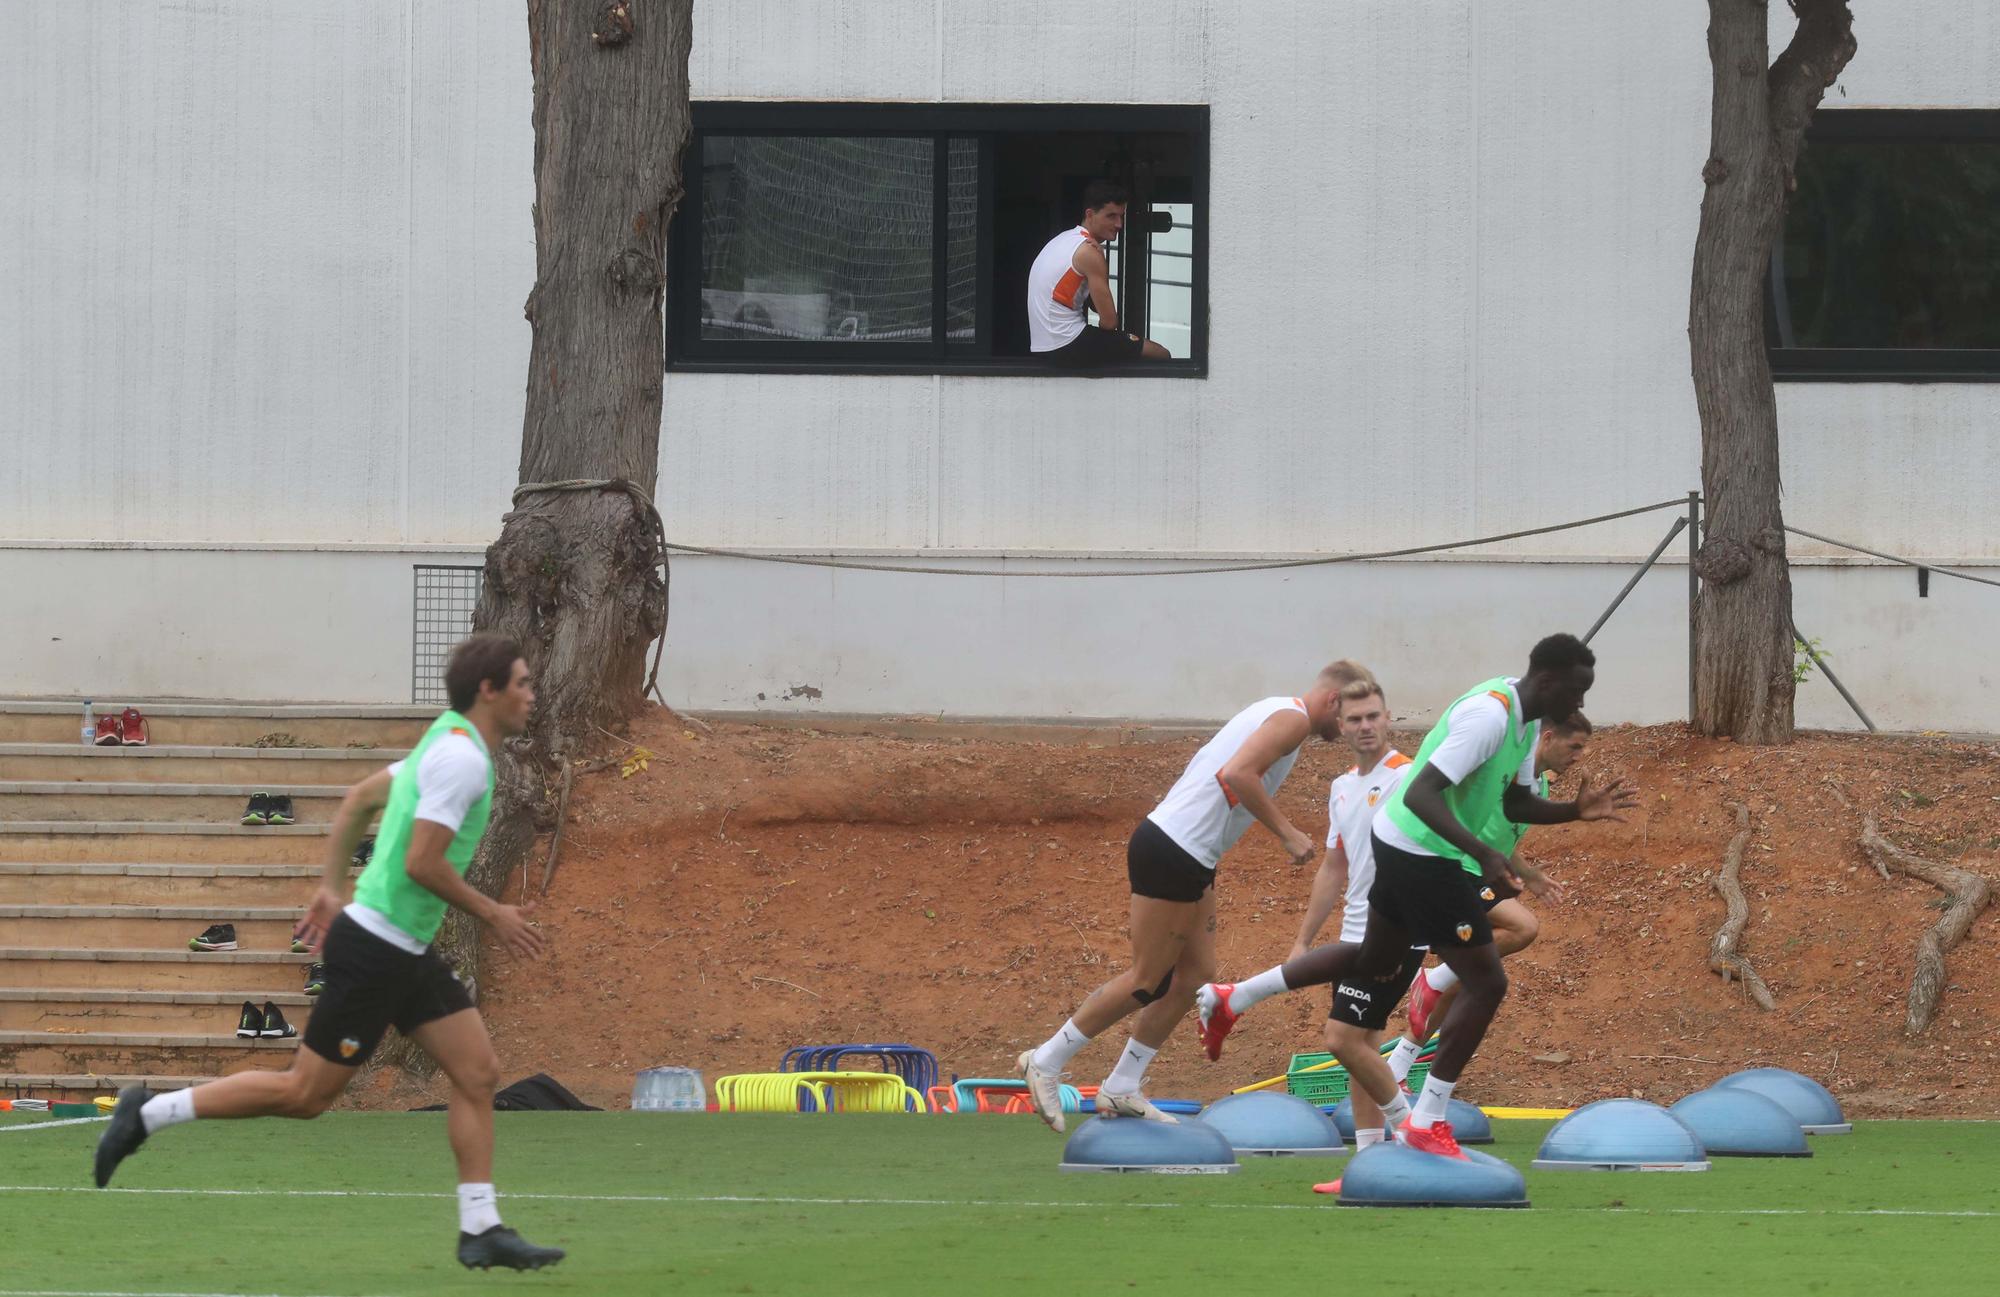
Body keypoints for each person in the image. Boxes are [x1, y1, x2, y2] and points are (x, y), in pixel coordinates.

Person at [94, 634, 565, 1272]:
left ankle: (481, 1227)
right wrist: (493, 912)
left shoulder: (445, 744)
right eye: (523, 683)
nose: (532, 694)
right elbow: (421, 861)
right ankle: (149, 1113)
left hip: (403, 949)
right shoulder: (463, 762)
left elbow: (357, 801)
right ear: (489, 691)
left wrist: (330, 887)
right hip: (376, 949)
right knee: (305, 1096)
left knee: (477, 1073)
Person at [1191, 634, 1634, 1161]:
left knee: (1375, 958)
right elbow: (1423, 793)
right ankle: (1427, 1117)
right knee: (1488, 981)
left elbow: (1514, 803)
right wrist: (1485, 854)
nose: (1580, 706)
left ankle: (1233, 997)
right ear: (1547, 682)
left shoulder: (1528, 722)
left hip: (1408, 845)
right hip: (1420, 852)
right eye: (1577, 693)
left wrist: (1572, 811)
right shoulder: (1488, 718)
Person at [1018, 661, 1374, 1132]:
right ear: (1332, 701)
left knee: (1195, 977)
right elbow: (1238, 774)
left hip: (1193, 854)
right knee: (1147, 979)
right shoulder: (1293, 720)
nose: (1352, 728)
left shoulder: (1278, 711)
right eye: (1349, 716)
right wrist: (1288, 833)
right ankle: (1045, 1059)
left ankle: (1123, 1085)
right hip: (1174, 846)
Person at [1198, 677, 1423, 1163]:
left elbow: (1429, 857)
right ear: (1340, 725)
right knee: (1362, 1042)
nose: (1366, 726)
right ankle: (1369, 1158)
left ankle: (1412, 1132)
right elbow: (1335, 866)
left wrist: (1410, 934)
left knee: (1341, 1039)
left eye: (1374, 716)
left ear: (1388, 718)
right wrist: (1303, 941)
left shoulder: (1409, 778)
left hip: (1398, 933)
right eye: (1355, 719)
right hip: (1354, 931)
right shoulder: (1342, 788)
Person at [1390, 711, 1595, 1083]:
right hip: (1457, 870)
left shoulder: (1538, 788)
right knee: (1523, 927)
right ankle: (1431, 980)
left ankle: (1397, 1066)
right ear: (1547, 738)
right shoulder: (1508, 771)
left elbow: (1501, 839)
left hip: (1478, 874)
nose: (1579, 755)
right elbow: (1474, 825)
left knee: (1466, 978)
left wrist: (1529, 874)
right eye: (1575, 745)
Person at [1026, 180, 1172, 367]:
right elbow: (1110, 322)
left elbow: (1093, 305)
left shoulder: (1063, 240)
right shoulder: (1089, 252)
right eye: (1111, 216)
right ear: (1090, 214)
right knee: (1160, 354)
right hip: (1067, 342)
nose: (1119, 224)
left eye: (1121, 216)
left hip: (1043, 346)